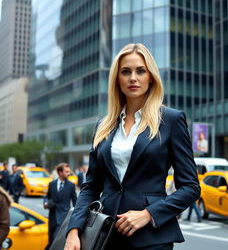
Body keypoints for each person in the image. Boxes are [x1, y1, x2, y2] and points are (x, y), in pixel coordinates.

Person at [64, 43, 200, 250]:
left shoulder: (171, 120)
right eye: (125, 72)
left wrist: (149, 214)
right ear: (117, 79)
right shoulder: (103, 126)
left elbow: (190, 187)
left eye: (140, 71)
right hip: (105, 236)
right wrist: (74, 230)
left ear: (151, 77)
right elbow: (91, 186)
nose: (133, 78)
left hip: (151, 238)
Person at [44, 163, 77, 250]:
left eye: (69, 171)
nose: (68, 173)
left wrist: (75, 218)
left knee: (58, 241)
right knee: (51, 239)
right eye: (66, 171)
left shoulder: (71, 185)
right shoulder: (52, 184)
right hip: (52, 217)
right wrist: (46, 203)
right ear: (59, 172)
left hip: (64, 217)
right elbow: (47, 197)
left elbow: (75, 202)